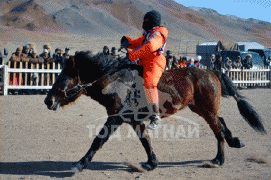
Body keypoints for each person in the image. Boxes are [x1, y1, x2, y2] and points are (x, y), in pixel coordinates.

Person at [121, 10, 168, 130]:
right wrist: (127, 41)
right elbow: (138, 43)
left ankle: (155, 116)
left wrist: (132, 55)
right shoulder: (149, 34)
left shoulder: (158, 34)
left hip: (155, 62)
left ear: (152, 22)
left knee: (149, 83)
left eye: (146, 21)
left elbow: (150, 46)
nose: (143, 24)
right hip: (145, 61)